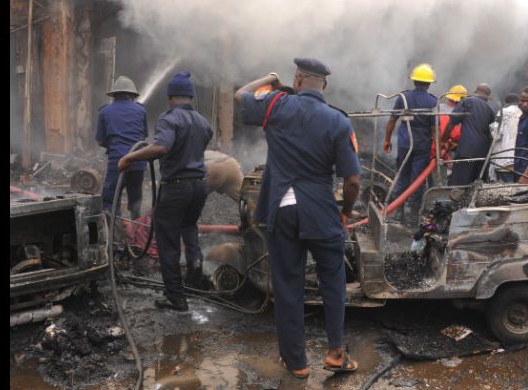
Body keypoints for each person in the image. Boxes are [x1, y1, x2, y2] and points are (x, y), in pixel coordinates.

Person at [235, 58, 361, 379]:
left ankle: (297, 363)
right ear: (325, 85)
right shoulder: (338, 121)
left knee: (288, 284)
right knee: (332, 280)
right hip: (320, 209)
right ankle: (335, 353)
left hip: (282, 207)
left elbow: (240, 96)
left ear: (298, 78)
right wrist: (345, 212)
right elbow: (353, 181)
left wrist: (270, 78)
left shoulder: (276, 103)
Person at [119, 72, 213, 311]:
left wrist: (131, 156)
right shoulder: (203, 121)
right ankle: (195, 277)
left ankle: (176, 297)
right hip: (199, 186)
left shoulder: (169, 118)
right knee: (189, 228)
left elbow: (161, 147)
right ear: (190, 96)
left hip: (177, 187)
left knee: (167, 242)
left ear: (170, 96)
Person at [382, 64, 437, 222]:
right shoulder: (433, 101)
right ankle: (413, 215)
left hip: (405, 144)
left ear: (414, 81)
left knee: (402, 176)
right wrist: (438, 147)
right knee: (417, 180)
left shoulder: (403, 98)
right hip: (422, 145)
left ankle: (399, 212)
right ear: (428, 83)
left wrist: (387, 140)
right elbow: (434, 128)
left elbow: (392, 119)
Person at [95, 75, 147, 221]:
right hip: (138, 163)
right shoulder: (141, 111)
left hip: (117, 162)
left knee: (111, 199)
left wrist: (112, 145)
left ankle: (116, 235)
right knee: (136, 200)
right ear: (132, 95)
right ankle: (136, 231)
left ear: (114, 95)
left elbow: (99, 141)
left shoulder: (104, 112)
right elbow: (143, 138)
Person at [442, 83, 496, 186]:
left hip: (466, 152)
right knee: (476, 186)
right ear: (488, 97)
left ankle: (458, 201)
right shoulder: (490, 110)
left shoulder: (467, 101)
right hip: (483, 154)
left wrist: (443, 140)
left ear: (475, 92)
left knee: (459, 184)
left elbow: (451, 122)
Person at [488, 93, 522, 182]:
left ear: (505, 102)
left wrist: (491, 127)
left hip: (503, 159)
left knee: (504, 189)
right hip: (519, 159)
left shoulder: (503, 112)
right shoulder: (522, 113)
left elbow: (496, 135)